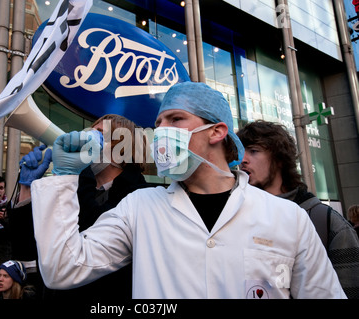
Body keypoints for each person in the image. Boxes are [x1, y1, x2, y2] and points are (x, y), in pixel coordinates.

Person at [27, 81, 345, 298]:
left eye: (176, 119)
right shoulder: (138, 207)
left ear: (217, 131)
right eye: (159, 122)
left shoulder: (287, 217)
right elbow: (61, 270)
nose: (161, 131)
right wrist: (63, 176)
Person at [10, 114, 151, 299]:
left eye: (99, 133)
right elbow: (26, 248)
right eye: (89, 132)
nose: (88, 137)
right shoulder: (76, 186)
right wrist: (26, 189)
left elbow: (94, 227)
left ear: (122, 148)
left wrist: (76, 174)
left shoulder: (139, 193)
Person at [236, 120, 359, 299]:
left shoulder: (326, 222)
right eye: (241, 152)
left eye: (254, 151)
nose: (243, 160)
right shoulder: (236, 214)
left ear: (279, 160)